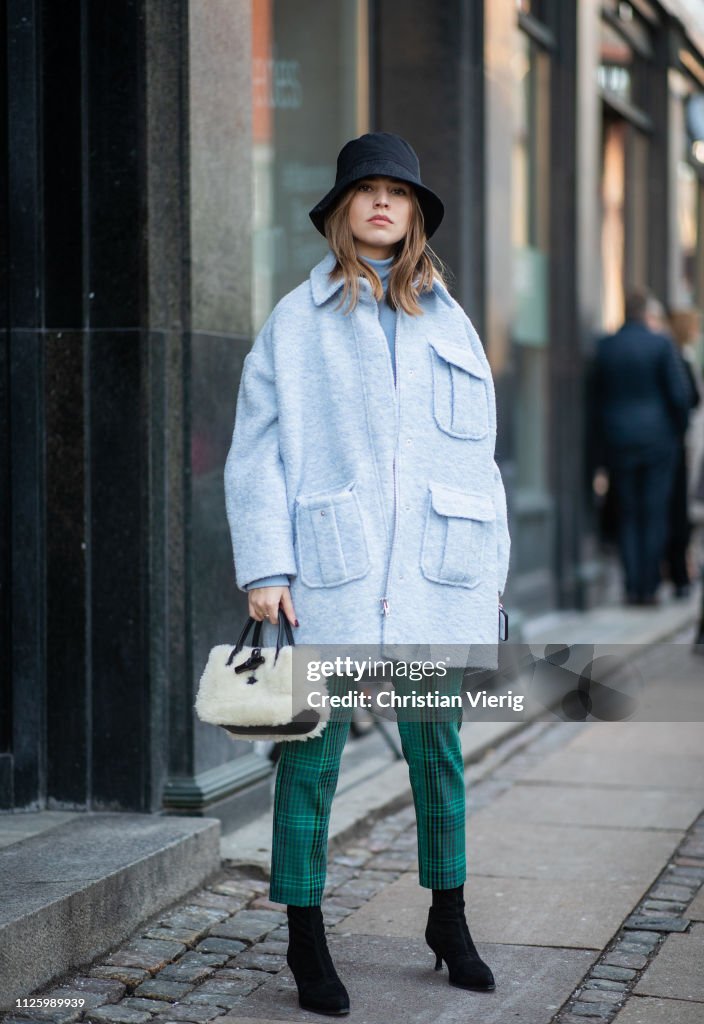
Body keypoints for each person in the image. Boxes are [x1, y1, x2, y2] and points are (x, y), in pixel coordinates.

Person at [224, 131, 510, 1016]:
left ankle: (448, 918)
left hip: (436, 571)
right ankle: (305, 938)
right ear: (342, 209)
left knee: (439, 753)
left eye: (399, 192)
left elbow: (480, 465)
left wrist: (488, 580)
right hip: (332, 574)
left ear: (417, 214)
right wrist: (266, 564)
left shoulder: (451, 321)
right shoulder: (297, 320)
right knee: (311, 757)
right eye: (367, 189)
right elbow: (256, 450)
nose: (383, 202)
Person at [594, 289, 691, 606]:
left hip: (618, 439)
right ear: (646, 313)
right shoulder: (661, 343)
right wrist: (677, 432)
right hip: (658, 441)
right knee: (654, 512)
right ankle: (648, 588)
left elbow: (597, 399)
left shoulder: (607, 347)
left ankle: (632, 585)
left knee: (628, 511)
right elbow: (681, 395)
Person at [664, 308, 701, 597]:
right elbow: (687, 398)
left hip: (681, 442)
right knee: (679, 510)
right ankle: (679, 573)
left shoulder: (676, 353)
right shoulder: (676, 355)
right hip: (679, 443)